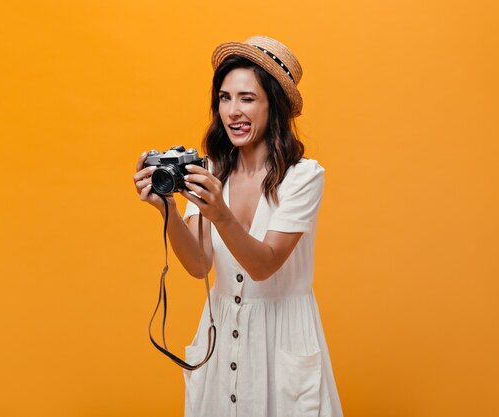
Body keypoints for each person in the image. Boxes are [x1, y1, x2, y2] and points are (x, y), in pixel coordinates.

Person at [133, 36, 343, 417]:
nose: (233, 111)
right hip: (221, 335)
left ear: (273, 106)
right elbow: (199, 265)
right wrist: (168, 210)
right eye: (224, 98)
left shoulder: (302, 177)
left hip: (282, 337)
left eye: (247, 98)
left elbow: (264, 266)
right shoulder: (212, 170)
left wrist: (220, 213)